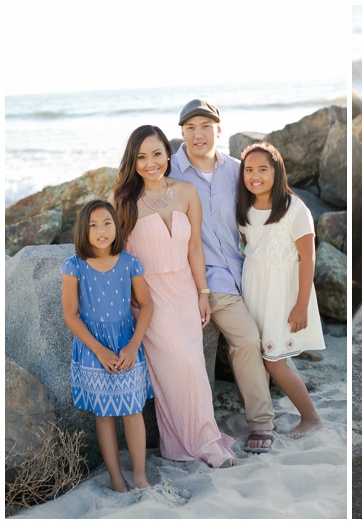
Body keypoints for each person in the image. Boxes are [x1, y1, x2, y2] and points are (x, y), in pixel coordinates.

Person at [111, 125, 235, 468]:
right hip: (150, 298)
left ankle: (193, 441)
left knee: (193, 367)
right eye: (141, 157)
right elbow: (117, 255)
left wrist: (203, 293)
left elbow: (194, 247)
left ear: (169, 154)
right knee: (176, 367)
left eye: (156, 154)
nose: (151, 163)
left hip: (184, 291)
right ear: (132, 161)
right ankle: (199, 443)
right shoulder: (122, 201)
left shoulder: (186, 192)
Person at [168, 99, 276, 453]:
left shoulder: (238, 170)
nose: (198, 134)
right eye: (190, 128)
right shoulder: (169, 173)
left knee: (272, 336)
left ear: (219, 128)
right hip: (206, 277)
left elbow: (261, 213)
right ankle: (262, 423)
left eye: (205, 126)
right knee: (245, 338)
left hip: (245, 268)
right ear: (181, 132)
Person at [61, 200, 154, 492]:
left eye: (107, 224)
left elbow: (147, 305)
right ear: (83, 231)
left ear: (117, 227)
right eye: (93, 226)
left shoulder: (129, 262)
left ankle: (139, 475)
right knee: (104, 414)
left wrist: (132, 345)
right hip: (92, 347)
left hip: (127, 342)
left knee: (132, 410)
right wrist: (99, 351)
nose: (101, 231)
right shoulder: (74, 266)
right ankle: (116, 478)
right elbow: (70, 315)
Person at [236, 142, 325, 438]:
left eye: (263, 169)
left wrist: (301, 305)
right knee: (258, 357)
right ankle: (265, 412)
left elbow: (308, 258)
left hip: (281, 296)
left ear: (277, 171)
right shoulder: (245, 208)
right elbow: (251, 248)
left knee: (275, 363)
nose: (255, 176)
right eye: (248, 170)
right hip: (254, 292)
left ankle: (311, 417)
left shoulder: (294, 209)